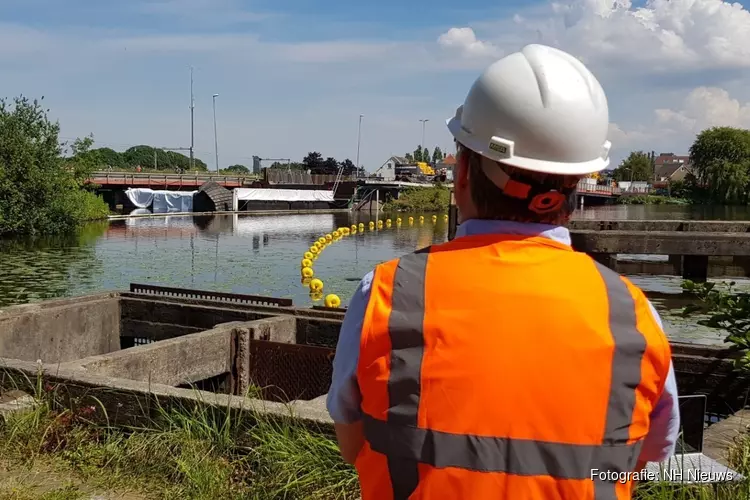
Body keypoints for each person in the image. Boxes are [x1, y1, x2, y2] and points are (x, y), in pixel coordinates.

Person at [326, 44, 680, 500]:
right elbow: (650, 459)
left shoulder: (388, 292)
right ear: (580, 185)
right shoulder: (632, 312)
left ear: (462, 174)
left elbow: (353, 441)